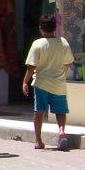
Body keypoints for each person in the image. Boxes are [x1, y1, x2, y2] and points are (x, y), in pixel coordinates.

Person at [23, 13, 74, 151]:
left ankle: (39, 140)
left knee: (39, 111)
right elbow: (69, 62)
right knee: (60, 111)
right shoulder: (63, 42)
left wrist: (24, 82)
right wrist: (60, 70)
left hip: (41, 83)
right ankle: (61, 131)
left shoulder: (37, 44)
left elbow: (31, 66)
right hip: (59, 83)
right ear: (55, 28)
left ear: (40, 28)